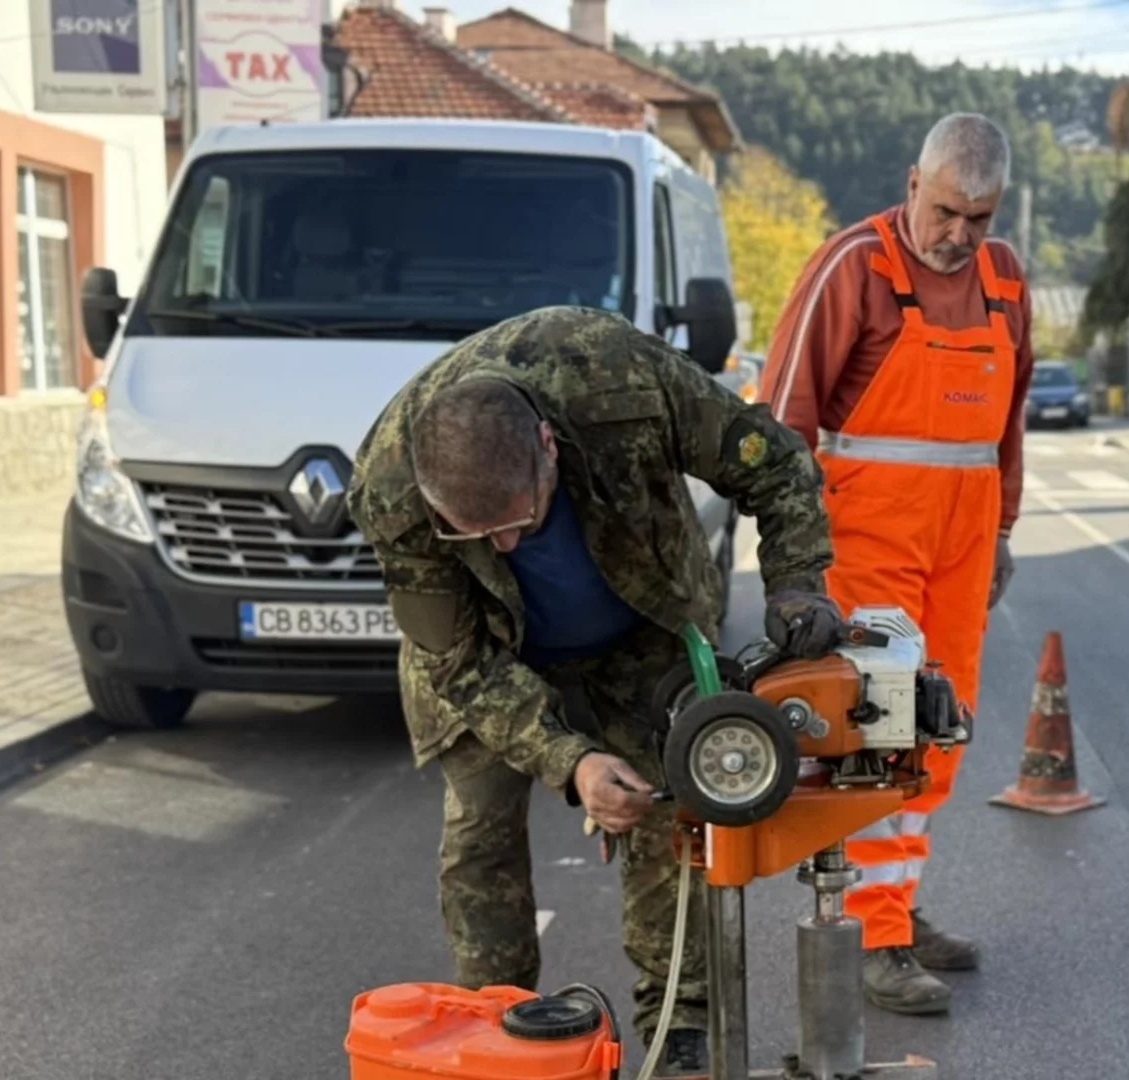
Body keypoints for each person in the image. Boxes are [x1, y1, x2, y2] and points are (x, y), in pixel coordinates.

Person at [348, 307, 842, 1074]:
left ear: (548, 448)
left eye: (517, 524)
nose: (502, 548)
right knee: (479, 837)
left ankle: (681, 1028)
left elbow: (775, 466)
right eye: (473, 536)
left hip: (640, 623)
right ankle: (500, 1032)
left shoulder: (622, 377)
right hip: (490, 652)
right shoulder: (389, 489)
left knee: (672, 812)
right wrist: (570, 760)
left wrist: (797, 586)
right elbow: (457, 664)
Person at [757, 113, 1032, 1017]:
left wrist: (1000, 534)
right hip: (867, 540)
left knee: (940, 732)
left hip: (961, 542)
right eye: (948, 211)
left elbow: (1008, 426)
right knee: (878, 733)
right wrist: (791, 567)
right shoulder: (855, 268)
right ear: (913, 183)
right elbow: (779, 422)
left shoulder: (1007, 281)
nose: (960, 236)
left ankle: (896, 909)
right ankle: (870, 937)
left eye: (980, 219)